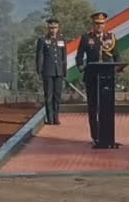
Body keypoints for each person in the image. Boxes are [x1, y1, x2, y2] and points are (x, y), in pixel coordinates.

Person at [74, 12, 122, 144]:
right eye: (97, 24)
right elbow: (79, 56)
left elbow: (117, 55)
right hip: (92, 77)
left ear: (105, 24)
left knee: (106, 107)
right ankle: (95, 136)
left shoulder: (110, 37)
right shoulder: (86, 38)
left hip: (107, 78)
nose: (99, 26)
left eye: (101, 24)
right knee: (93, 107)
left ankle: (106, 135)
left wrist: (119, 68)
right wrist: (80, 66)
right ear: (93, 24)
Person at [35, 19, 68, 125]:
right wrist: (39, 69)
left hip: (59, 71)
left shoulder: (61, 39)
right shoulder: (43, 39)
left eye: (55, 28)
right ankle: (49, 118)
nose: (53, 30)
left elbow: (64, 56)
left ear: (58, 28)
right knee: (48, 95)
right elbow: (40, 55)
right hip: (48, 71)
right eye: (51, 28)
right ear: (48, 28)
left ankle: (56, 117)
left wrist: (64, 70)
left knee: (57, 95)